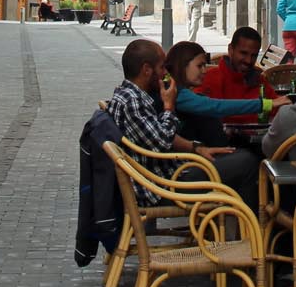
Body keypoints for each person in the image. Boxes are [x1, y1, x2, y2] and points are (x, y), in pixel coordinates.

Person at [105, 39, 258, 206]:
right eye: (162, 67)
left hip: (166, 174)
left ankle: (232, 223)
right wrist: (169, 106)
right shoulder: (134, 101)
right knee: (247, 161)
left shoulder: (127, 94)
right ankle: (247, 227)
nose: (166, 72)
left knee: (236, 159)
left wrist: (196, 147)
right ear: (147, 70)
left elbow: (156, 136)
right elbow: (163, 141)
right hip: (164, 185)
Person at [165, 41, 288, 147]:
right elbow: (217, 106)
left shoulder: (180, 92)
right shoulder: (177, 93)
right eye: (199, 66)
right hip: (197, 164)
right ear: (182, 66)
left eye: (204, 65)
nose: (204, 70)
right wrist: (267, 104)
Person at [197, 26, 280, 124]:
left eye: (254, 55)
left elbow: (278, 110)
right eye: (243, 53)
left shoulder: (259, 80)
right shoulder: (209, 79)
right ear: (230, 49)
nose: (249, 60)